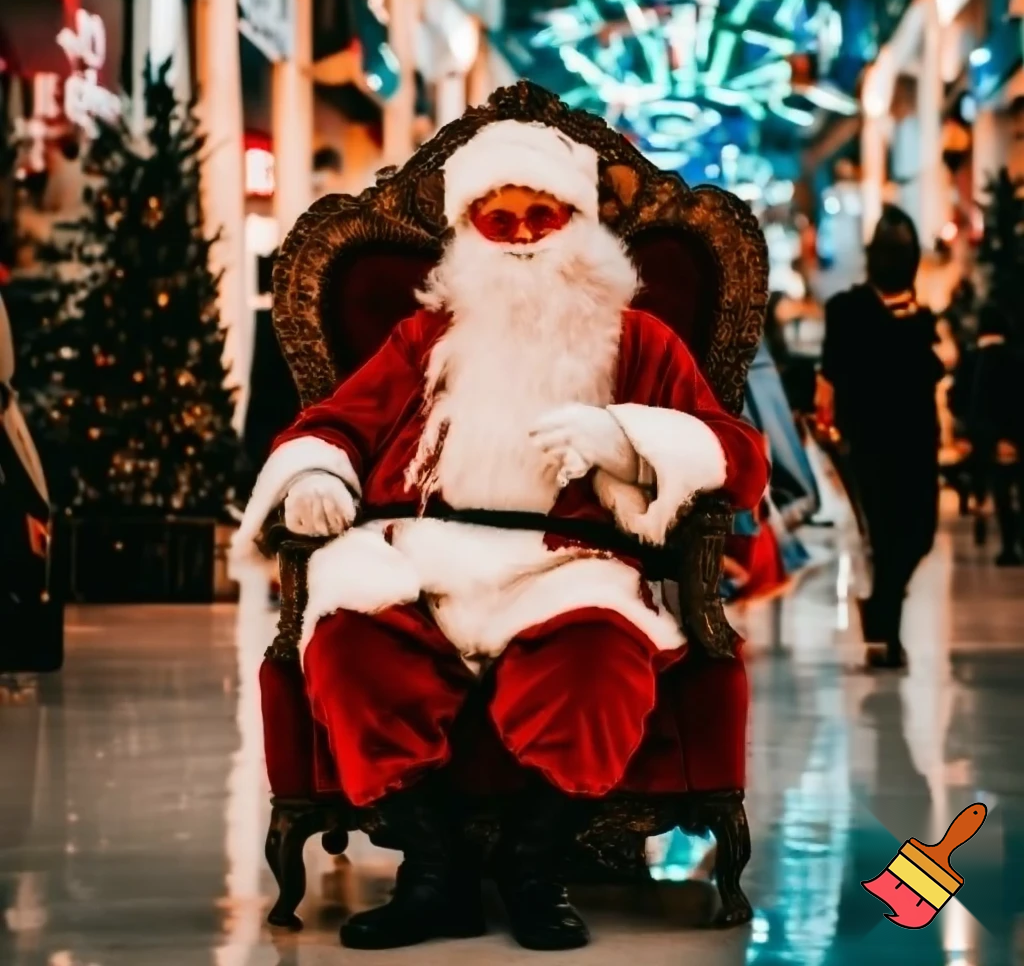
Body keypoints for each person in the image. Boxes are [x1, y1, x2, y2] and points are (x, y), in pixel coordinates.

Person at [234, 119, 769, 951]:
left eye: (541, 216)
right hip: (419, 559)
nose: (521, 238)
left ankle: (534, 868)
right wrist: (316, 477)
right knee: (346, 646)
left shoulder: (639, 341)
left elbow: (738, 456)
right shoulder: (425, 340)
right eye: (499, 219)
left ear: (578, 224)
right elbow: (335, 423)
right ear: (468, 231)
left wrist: (625, 439)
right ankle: (434, 872)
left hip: (567, 569)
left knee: (599, 668)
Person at [816, 205, 943, 669]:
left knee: (921, 534)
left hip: (918, 441)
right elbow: (831, 375)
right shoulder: (847, 309)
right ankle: (887, 631)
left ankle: (881, 614)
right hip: (871, 442)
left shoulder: (919, 314)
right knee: (888, 536)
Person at [949, 303, 1024, 565]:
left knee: (995, 489)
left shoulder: (972, 360)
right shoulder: (1017, 358)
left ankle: (996, 532)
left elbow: (960, 400)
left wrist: (968, 433)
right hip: (1017, 434)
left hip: (984, 436)